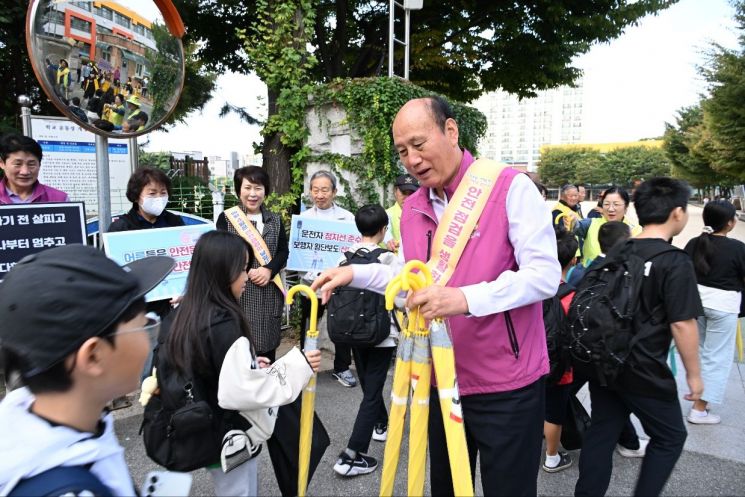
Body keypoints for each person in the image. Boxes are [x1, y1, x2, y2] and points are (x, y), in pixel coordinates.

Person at [312, 96, 561, 496]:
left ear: (450, 131)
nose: (411, 159)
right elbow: (409, 275)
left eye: (418, 143)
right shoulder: (412, 208)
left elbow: (545, 275)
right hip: (439, 376)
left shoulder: (508, 187)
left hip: (506, 384)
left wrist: (463, 299)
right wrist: (353, 272)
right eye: (402, 151)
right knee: (446, 487)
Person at [156, 230, 321, 496]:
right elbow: (245, 392)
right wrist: (300, 364)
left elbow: (205, 365)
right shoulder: (224, 322)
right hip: (227, 433)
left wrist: (250, 361)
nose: (246, 276)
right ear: (221, 270)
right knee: (240, 490)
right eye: (242, 269)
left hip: (193, 425)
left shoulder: (181, 314)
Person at [0, 245, 173, 495]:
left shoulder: (58, 430)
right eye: (143, 325)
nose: (150, 336)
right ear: (93, 356)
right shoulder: (68, 486)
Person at [574, 177, 703, 497]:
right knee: (670, 436)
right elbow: (683, 324)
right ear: (677, 213)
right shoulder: (673, 261)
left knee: (603, 431)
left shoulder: (616, 252)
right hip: (641, 367)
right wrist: (694, 377)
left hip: (603, 359)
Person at [333, 204, 401, 477]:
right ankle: (351, 455)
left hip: (352, 333)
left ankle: (381, 423)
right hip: (383, 335)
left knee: (368, 387)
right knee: (373, 392)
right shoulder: (390, 259)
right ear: (384, 230)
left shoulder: (346, 257)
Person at [217, 166, 288, 363]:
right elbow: (222, 252)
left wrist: (269, 270)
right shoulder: (227, 218)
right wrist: (246, 272)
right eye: (247, 188)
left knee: (267, 352)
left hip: (269, 293)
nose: (253, 194)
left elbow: (283, 251)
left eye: (258, 188)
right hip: (240, 293)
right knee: (238, 351)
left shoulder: (275, 220)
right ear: (239, 190)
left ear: (266, 190)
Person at [684, 200, 745, 424]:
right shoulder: (738, 248)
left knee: (701, 351)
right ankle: (699, 409)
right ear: (729, 223)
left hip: (696, 304)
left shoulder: (694, 243)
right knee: (717, 357)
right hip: (723, 306)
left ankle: (697, 396)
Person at [298, 170, 358, 388]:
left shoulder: (348, 218)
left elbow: (352, 251)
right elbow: (298, 252)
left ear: (334, 191)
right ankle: (304, 367)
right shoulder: (303, 220)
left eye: (325, 190)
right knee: (309, 325)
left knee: (341, 325)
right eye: (315, 190)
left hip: (338, 283)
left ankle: (341, 367)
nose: (320, 194)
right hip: (311, 282)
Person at [542, 229, 578, 473]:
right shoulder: (573, 296)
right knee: (554, 412)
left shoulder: (530, 290)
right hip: (561, 369)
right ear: (573, 260)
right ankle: (552, 457)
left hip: (531, 364)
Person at [573, 186, 641, 266]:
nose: (611, 209)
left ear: (626, 207)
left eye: (616, 204)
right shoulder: (590, 224)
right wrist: (572, 221)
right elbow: (576, 226)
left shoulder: (636, 230)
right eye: (606, 204)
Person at [0, 134, 69, 204]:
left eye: (31, 164)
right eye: (18, 164)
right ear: (2, 163)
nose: (25, 172)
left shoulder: (60, 199)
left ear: (39, 164)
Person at [386, 173, 419, 250]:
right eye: (403, 193)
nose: (407, 198)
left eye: (411, 193)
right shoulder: (386, 215)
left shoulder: (424, 214)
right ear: (395, 191)